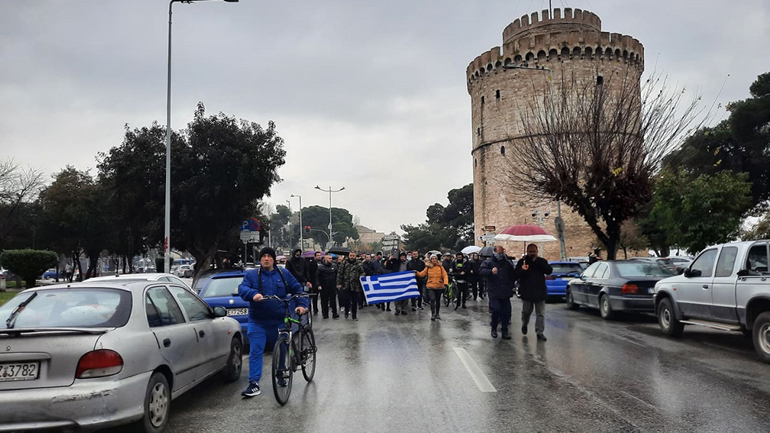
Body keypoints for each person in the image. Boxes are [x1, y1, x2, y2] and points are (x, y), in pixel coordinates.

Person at [238, 247, 308, 397]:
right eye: (263, 256)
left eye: (269, 256)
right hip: (258, 321)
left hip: (279, 321)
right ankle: (254, 383)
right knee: (256, 351)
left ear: (274, 259)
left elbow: (298, 289)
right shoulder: (252, 275)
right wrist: (253, 294)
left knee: (282, 349)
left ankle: (281, 372)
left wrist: (302, 305)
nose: (266, 259)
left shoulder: (284, 274)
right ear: (260, 259)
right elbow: (242, 288)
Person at [516, 243, 553, 341]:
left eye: (534, 251)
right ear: (527, 252)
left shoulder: (542, 261)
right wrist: (522, 270)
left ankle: (539, 332)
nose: (532, 253)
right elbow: (515, 275)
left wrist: (539, 263)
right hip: (527, 292)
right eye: (530, 252)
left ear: (537, 251)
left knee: (540, 313)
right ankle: (524, 324)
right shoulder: (522, 262)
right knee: (526, 312)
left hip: (539, 291)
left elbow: (549, 271)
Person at [479, 245, 516, 339]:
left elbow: (513, 275)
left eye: (502, 252)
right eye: (499, 253)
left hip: (505, 291)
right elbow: (481, 271)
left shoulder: (507, 263)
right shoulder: (488, 262)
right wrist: (490, 271)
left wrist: (511, 286)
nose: (501, 254)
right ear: (495, 252)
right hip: (494, 291)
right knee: (496, 309)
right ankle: (494, 328)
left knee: (507, 312)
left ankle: (505, 331)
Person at [415, 254, 449, 321]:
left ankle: (437, 314)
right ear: (431, 260)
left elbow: (445, 275)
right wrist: (416, 272)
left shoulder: (440, 267)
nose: (434, 260)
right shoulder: (428, 267)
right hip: (430, 286)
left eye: (435, 258)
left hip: (439, 286)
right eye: (433, 259)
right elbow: (422, 274)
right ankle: (433, 314)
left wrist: (445, 284)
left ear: (437, 259)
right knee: (432, 299)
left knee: (438, 300)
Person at [336, 252, 365, 320]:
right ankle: (346, 311)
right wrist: (339, 283)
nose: (352, 257)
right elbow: (340, 273)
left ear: (355, 256)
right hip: (346, 285)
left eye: (353, 256)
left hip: (355, 285)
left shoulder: (358, 263)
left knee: (354, 301)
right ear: (348, 256)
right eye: (350, 255)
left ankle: (354, 315)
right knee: (346, 300)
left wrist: (361, 276)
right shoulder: (344, 263)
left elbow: (362, 272)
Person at [316, 254, 339, 319]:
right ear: (325, 259)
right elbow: (317, 277)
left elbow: (337, 275)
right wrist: (318, 285)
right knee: (324, 300)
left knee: (333, 300)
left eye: (331, 258)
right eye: (329, 258)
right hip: (324, 285)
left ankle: (334, 313)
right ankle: (325, 314)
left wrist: (338, 283)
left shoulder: (334, 266)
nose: (331, 260)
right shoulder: (321, 267)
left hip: (332, 285)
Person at [307, 251, 322, 316]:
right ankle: (313, 309)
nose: (319, 256)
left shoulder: (322, 263)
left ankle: (319, 309)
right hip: (313, 282)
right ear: (315, 256)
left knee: (320, 297)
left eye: (320, 255)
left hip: (321, 281)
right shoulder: (311, 263)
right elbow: (309, 273)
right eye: (318, 255)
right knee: (313, 296)